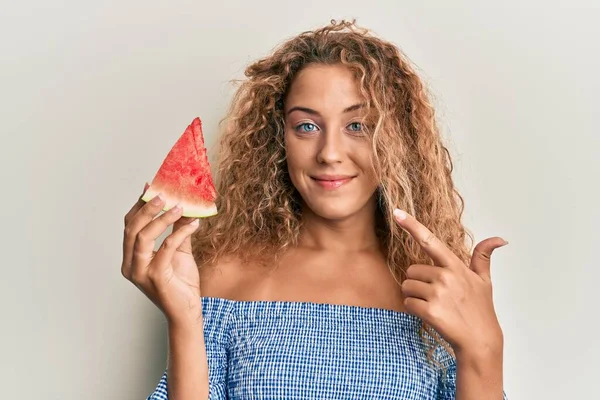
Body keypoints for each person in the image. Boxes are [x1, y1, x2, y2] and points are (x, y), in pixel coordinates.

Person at [121, 20, 508, 400]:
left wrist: (484, 350)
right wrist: (184, 317)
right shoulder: (224, 277)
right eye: (306, 126)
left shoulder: (440, 291)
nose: (329, 154)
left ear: (396, 139)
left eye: (357, 125)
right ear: (277, 140)